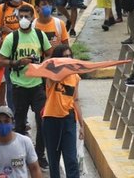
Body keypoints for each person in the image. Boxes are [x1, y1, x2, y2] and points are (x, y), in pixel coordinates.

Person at [0, 4, 52, 168]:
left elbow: (49, 52)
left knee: (42, 121)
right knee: (19, 124)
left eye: (27, 16)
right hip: (19, 87)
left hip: (37, 86)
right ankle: (20, 156)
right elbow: (1, 60)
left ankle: (39, 155)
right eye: (20, 16)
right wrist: (17, 62)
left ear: (33, 17)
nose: (24, 20)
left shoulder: (39, 35)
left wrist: (42, 64)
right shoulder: (11, 38)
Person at [42, 44, 83, 178]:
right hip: (51, 119)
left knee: (71, 159)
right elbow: (51, 81)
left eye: (70, 55)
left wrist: (82, 126)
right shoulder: (51, 74)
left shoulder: (75, 77)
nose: (68, 58)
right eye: (64, 56)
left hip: (68, 119)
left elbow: (75, 100)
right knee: (53, 160)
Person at [0, 106, 42, 178]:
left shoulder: (25, 142)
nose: (3, 124)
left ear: (13, 122)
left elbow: (34, 169)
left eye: (6, 121)